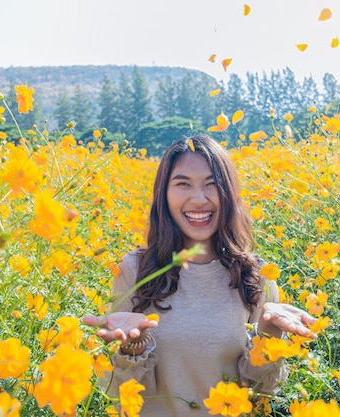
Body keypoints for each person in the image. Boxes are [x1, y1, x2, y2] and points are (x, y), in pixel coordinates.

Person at [83, 133, 316, 416]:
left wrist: (269, 337)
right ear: (164, 194)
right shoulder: (134, 271)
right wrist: (132, 351)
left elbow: (259, 399)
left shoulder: (256, 276)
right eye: (183, 184)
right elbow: (120, 398)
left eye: (212, 184)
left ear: (228, 193)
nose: (199, 198)